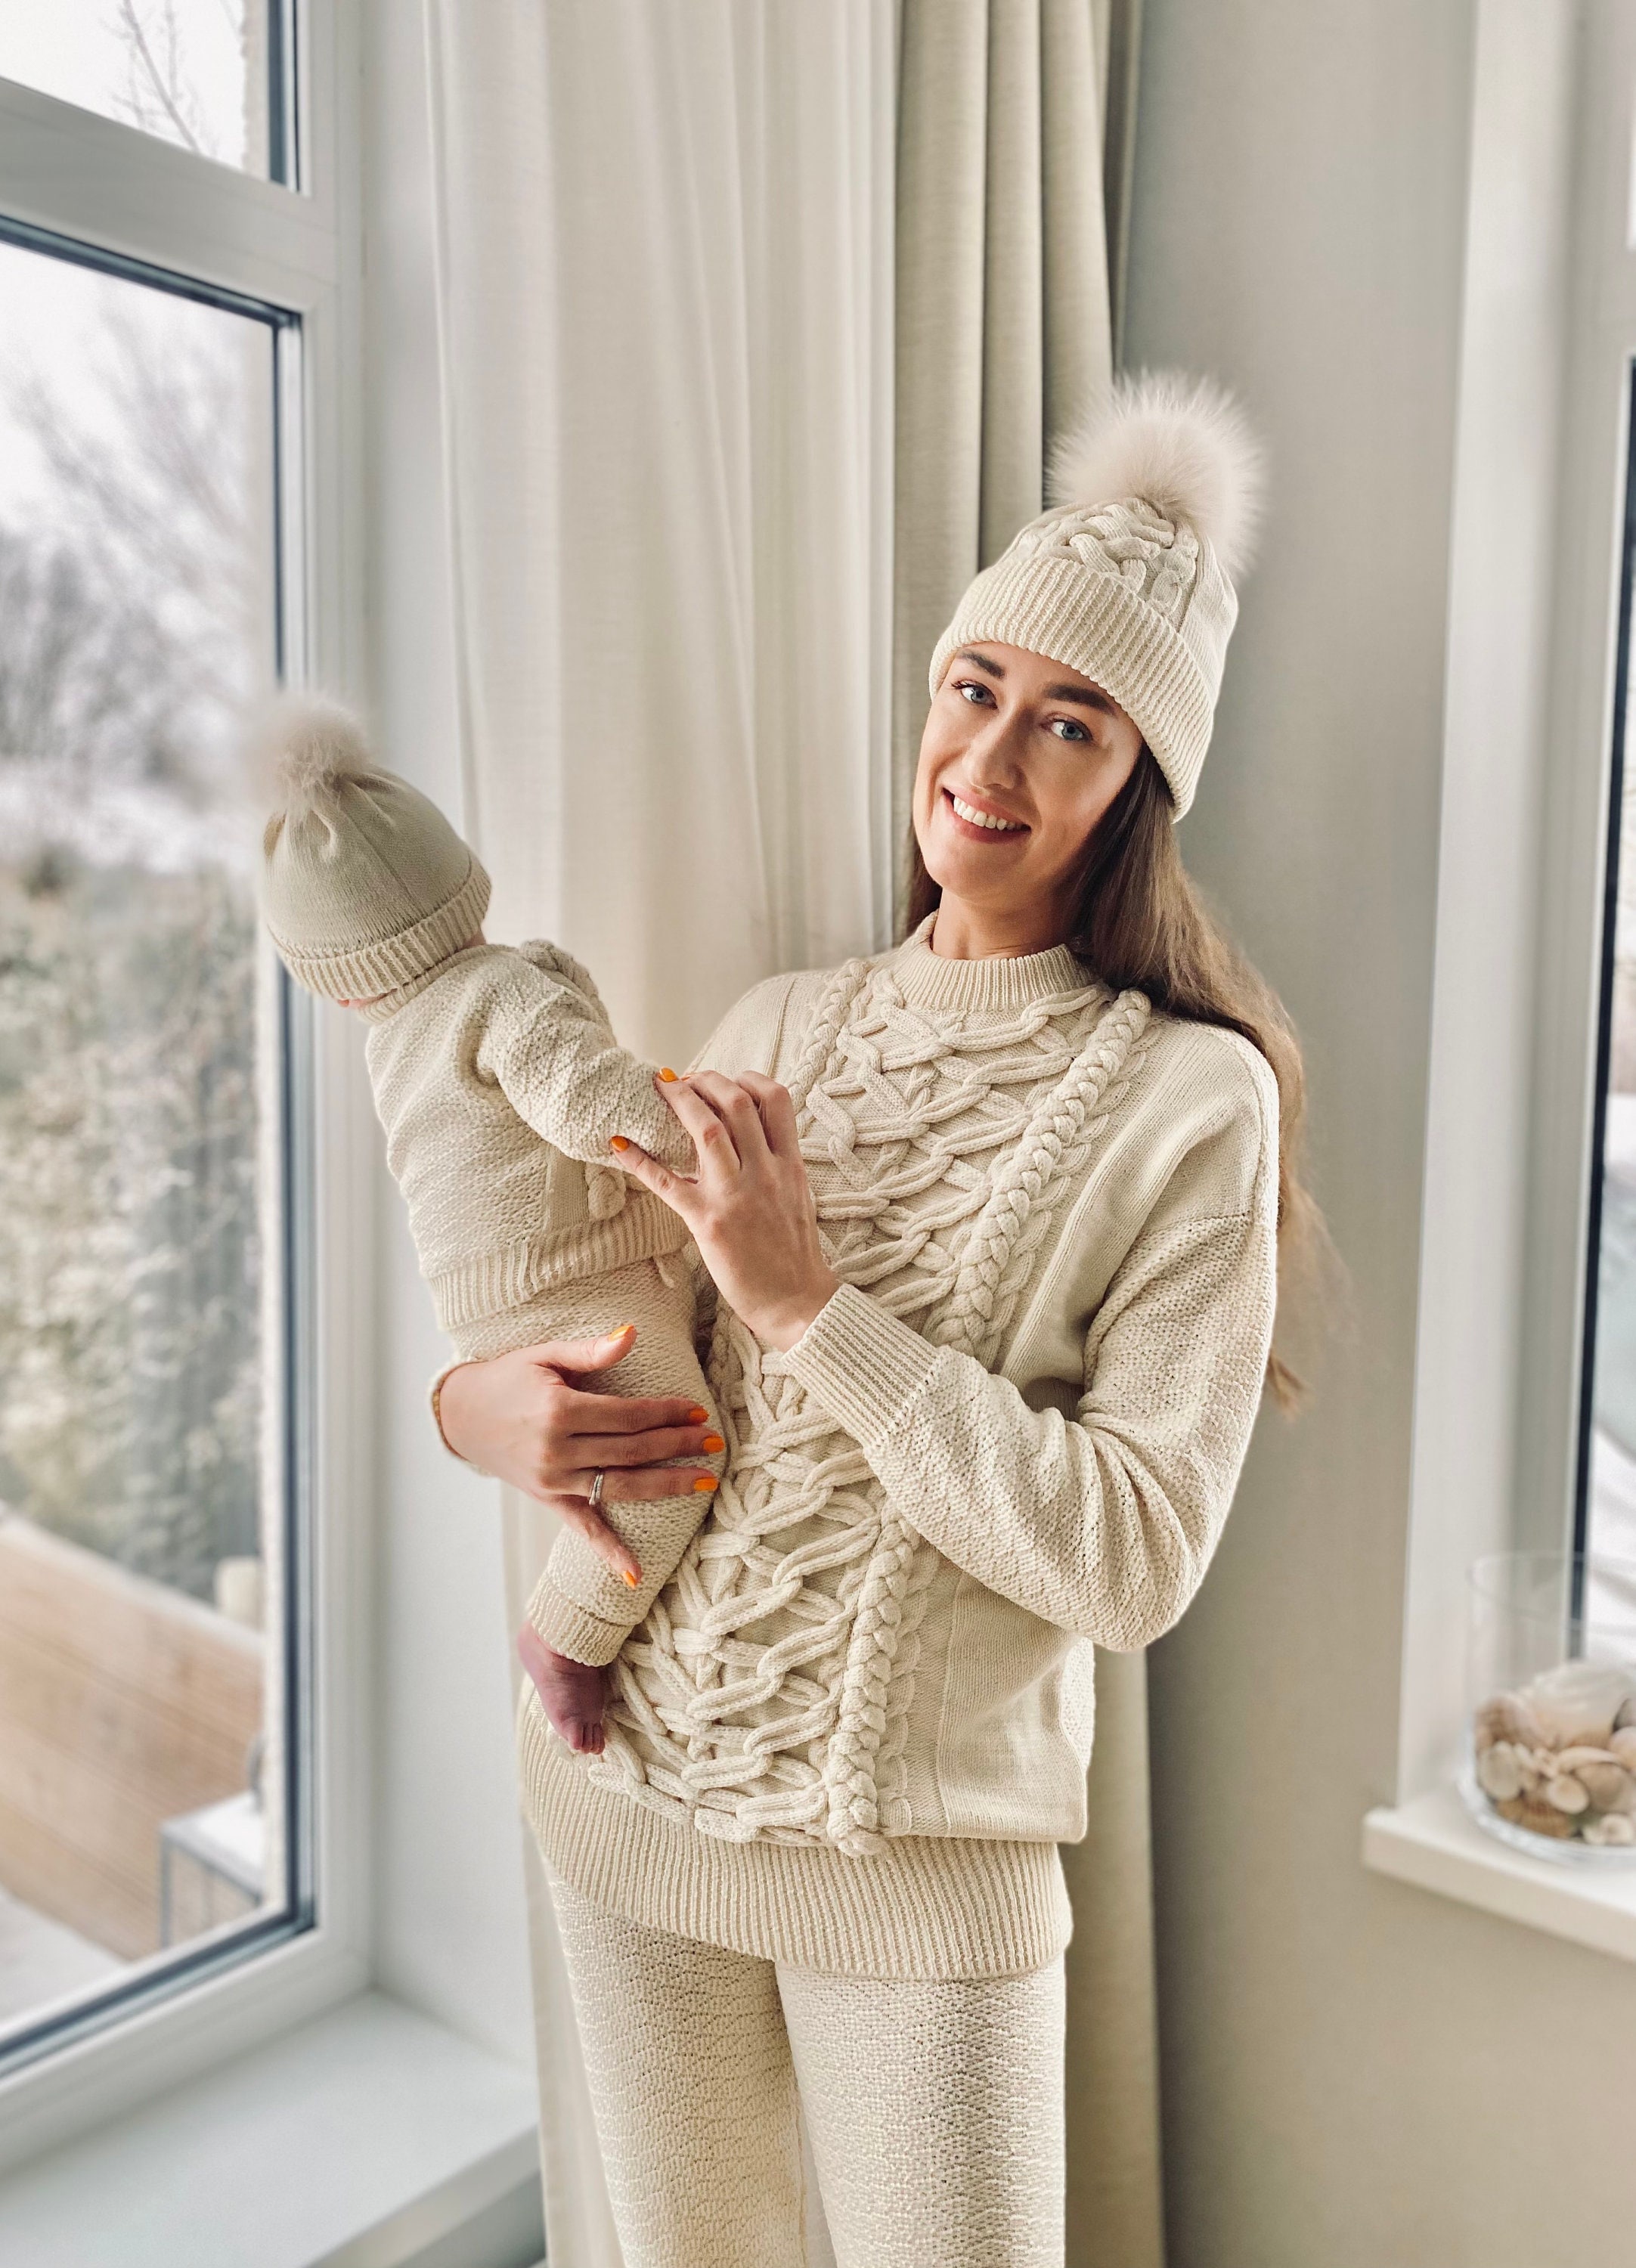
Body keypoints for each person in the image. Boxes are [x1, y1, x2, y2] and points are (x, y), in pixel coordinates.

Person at [433, 371, 1309, 2268]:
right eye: (974, 687)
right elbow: (624, 1356)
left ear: (1133, 788)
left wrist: (811, 1302)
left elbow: (1135, 1558)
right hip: (622, 1790)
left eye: (1069, 722)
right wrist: (472, 1412)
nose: (989, 757)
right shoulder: (773, 1023)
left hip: (920, 1872)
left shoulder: (1190, 1102)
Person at [253, 700, 728, 1753]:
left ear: (336, 987)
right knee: (678, 1459)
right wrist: (701, 1134)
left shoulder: (397, 1039)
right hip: (574, 1289)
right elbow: (585, 1098)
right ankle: (566, 1640)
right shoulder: (495, 994)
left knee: (653, 1441)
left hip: (496, 1313)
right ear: (460, 875)